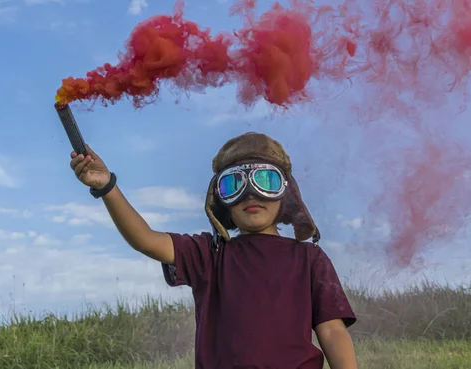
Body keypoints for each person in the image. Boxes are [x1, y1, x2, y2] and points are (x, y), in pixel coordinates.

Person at [69, 132, 358, 368]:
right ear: (220, 201)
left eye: (265, 181)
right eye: (234, 184)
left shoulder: (309, 258)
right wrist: (107, 186)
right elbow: (146, 239)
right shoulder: (209, 254)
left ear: (286, 194)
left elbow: (332, 330)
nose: (251, 194)